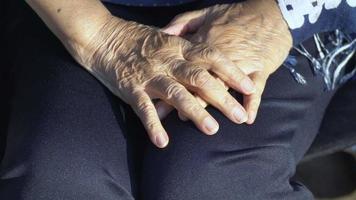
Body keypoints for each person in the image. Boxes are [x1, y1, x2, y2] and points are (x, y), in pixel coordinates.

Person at [0, 0, 355, 199]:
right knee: (61, 177)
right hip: (82, 12)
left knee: (214, 185)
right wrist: (99, 35)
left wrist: (283, 14)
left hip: (279, 17)